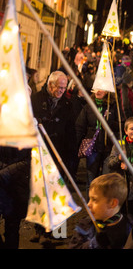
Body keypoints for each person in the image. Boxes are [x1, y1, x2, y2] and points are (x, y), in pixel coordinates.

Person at [30, 71, 78, 245]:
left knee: (56, 194)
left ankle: (54, 233)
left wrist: (71, 158)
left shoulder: (67, 104)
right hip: (39, 153)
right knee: (39, 192)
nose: (61, 91)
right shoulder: (36, 100)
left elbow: (71, 131)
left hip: (59, 155)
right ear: (50, 85)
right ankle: (39, 229)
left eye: (64, 88)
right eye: (59, 87)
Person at [68, 173, 132, 249]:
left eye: (94, 200)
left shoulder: (130, 230)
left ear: (113, 203)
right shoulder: (85, 225)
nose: (88, 204)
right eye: (89, 199)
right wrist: (94, 243)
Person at [75, 89, 120, 191]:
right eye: (96, 89)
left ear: (107, 91)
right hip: (93, 148)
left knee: (106, 180)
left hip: (109, 148)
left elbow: (121, 125)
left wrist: (110, 124)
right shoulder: (89, 106)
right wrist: (77, 144)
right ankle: (90, 205)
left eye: (101, 89)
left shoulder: (113, 107)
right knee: (91, 179)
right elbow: (80, 126)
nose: (97, 91)